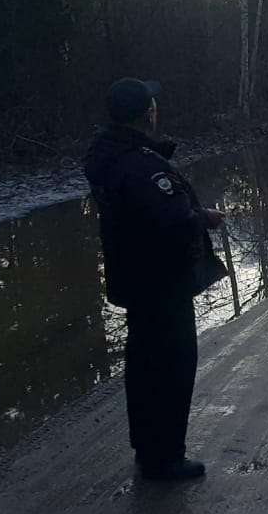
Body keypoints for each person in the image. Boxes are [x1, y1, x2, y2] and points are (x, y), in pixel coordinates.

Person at [84, 78, 227, 481]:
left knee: (145, 364)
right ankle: (165, 457)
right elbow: (169, 221)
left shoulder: (107, 156)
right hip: (162, 282)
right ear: (147, 114)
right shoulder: (140, 166)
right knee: (171, 366)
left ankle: (149, 447)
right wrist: (205, 218)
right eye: (153, 104)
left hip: (135, 277)